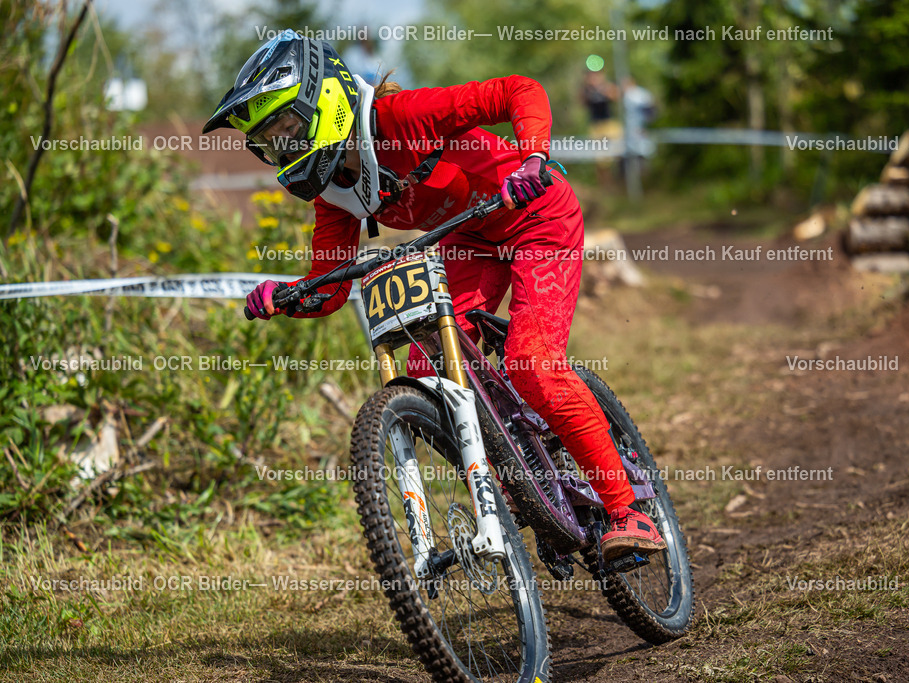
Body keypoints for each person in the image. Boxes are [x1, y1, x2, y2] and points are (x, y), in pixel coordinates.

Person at [202, 30, 665, 560]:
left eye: (289, 128)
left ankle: (627, 510)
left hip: (536, 217)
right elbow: (329, 288)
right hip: (469, 240)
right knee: (432, 376)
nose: (285, 147)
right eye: (271, 141)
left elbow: (519, 90)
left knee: (532, 363)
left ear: (325, 102)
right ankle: (528, 492)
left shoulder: (404, 115)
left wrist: (533, 158)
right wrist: (287, 295)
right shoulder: (334, 194)